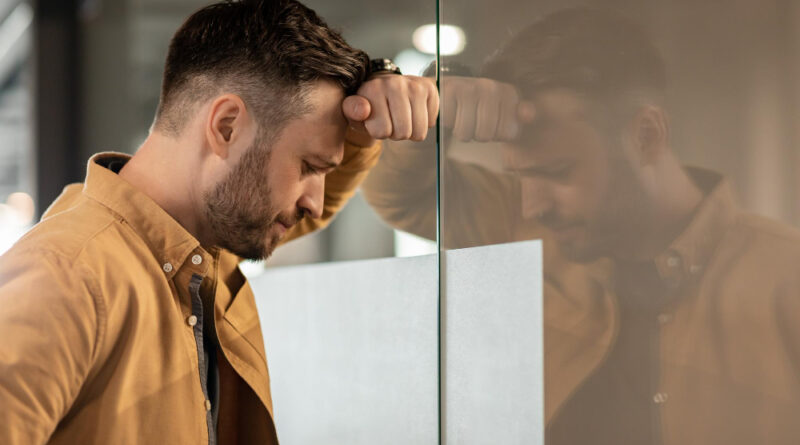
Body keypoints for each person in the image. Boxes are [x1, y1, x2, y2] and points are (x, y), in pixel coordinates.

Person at [0, 0, 438, 444]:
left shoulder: (202, 248)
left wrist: (368, 108)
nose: (314, 203)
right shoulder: (67, 277)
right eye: (308, 166)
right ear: (227, 126)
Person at [362, 7, 800, 444]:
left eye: (557, 172)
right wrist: (435, 105)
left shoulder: (785, 275)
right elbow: (399, 198)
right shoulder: (523, 221)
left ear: (646, 136)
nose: (533, 204)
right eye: (520, 175)